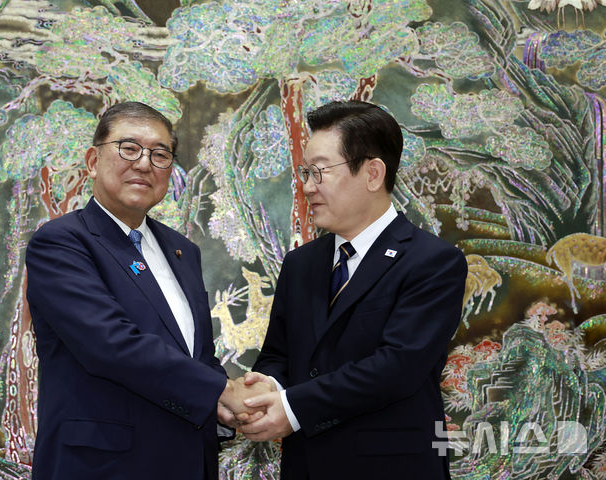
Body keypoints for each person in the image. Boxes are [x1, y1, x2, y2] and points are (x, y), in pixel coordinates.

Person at [26, 101, 265, 480]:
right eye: (129, 148)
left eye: (160, 154)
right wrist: (222, 390)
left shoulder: (182, 250)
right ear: (93, 161)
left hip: (187, 463)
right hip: (102, 466)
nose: (143, 164)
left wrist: (223, 404)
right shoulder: (62, 242)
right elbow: (111, 344)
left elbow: (196, 355)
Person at [238, 100, 468, 479]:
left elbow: (397, 367)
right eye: (305, 172)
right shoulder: (301, 263)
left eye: (319, 171)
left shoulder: (433, 262)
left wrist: (293, 407)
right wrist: (267, 385)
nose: (307, 186)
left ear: (373, 173)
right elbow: (279, 353)